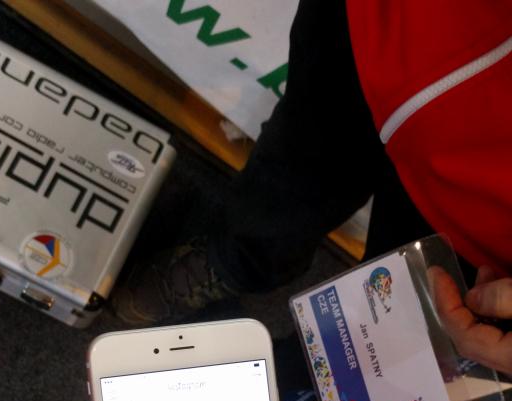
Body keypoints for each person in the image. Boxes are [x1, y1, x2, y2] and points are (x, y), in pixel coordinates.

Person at [113, 0, 512, 377]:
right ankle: (239, 261)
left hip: (490, 215)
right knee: (295, 165)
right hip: (390, 20)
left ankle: (314, 385)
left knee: (393, 328)